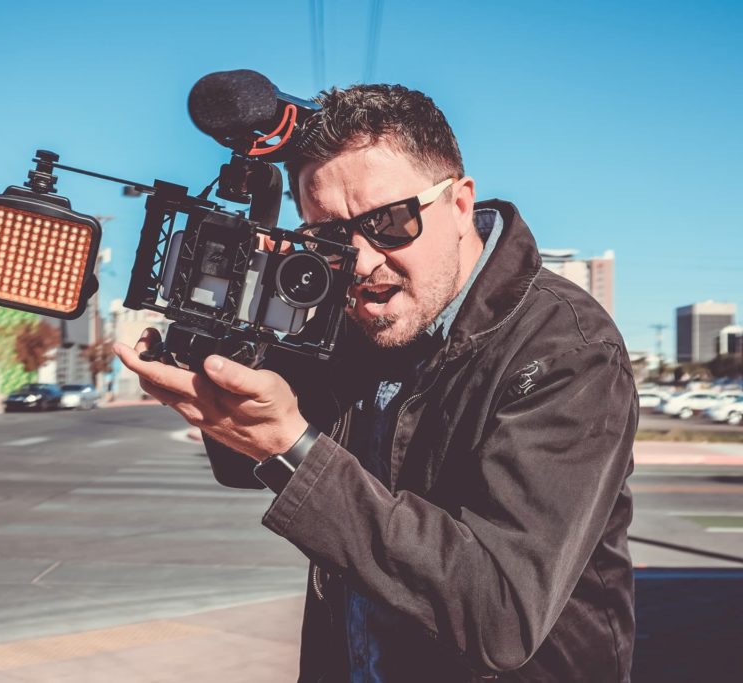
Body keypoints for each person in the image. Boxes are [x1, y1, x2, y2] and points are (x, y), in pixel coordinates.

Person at [114, 83, 637, 682]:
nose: (361, 261)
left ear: (460, 204)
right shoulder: (353, 320)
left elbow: (501, 614)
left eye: (389, 222)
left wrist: (288, 444)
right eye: (331, 238)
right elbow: (244, 466)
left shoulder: (566, 349)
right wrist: (220, 372)